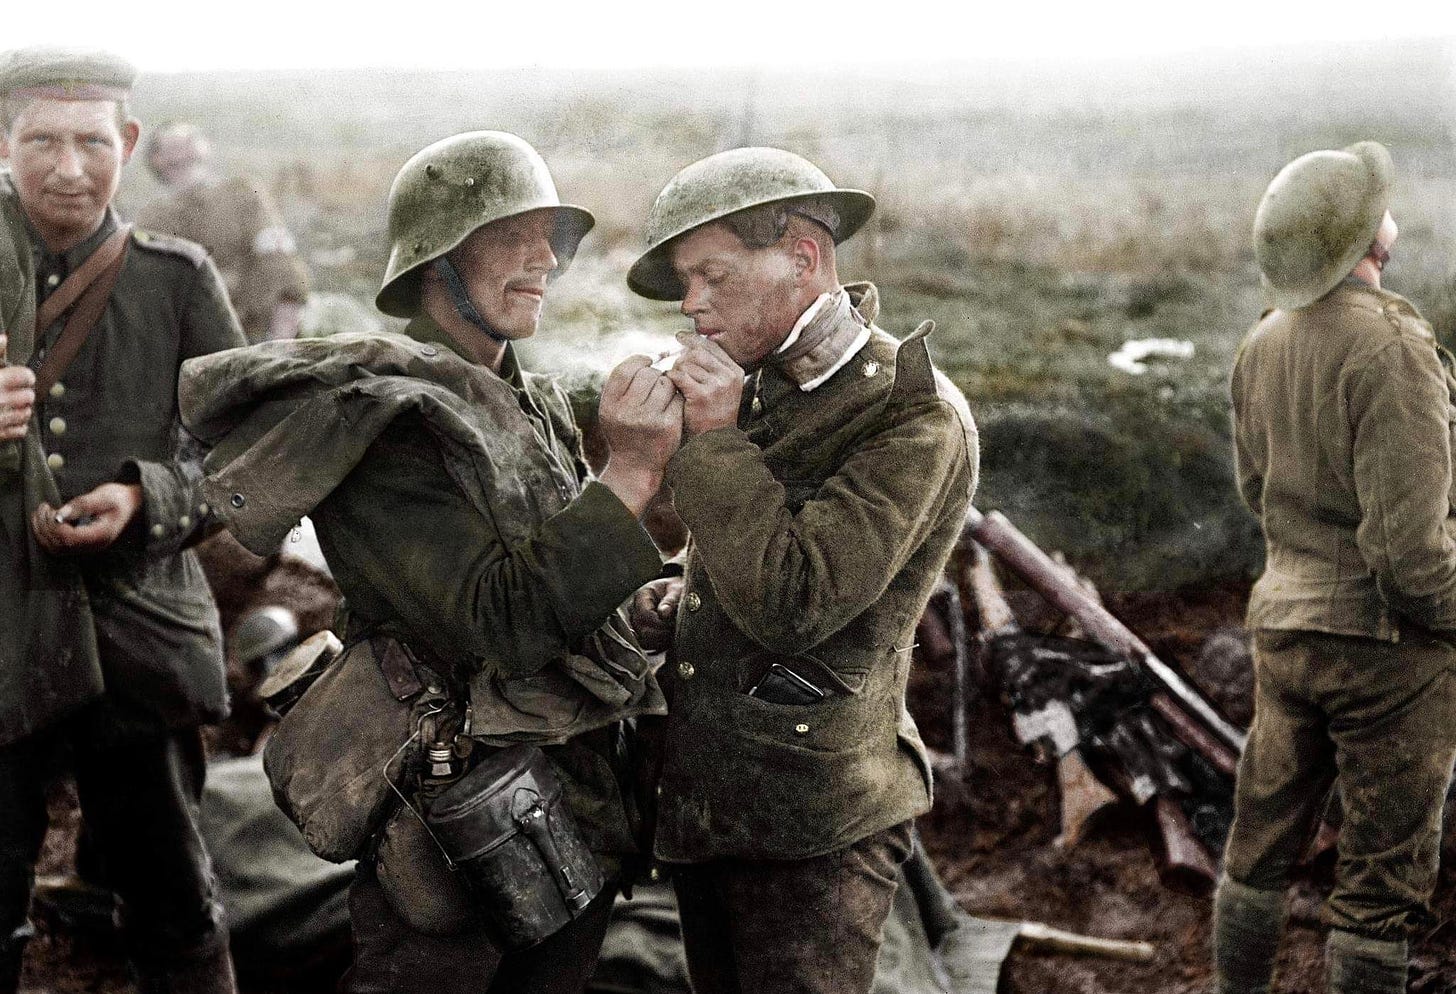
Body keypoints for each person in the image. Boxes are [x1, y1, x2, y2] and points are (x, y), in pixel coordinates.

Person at [178, 131, 680, 994]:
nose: (544, 260)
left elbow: (559, 584)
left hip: (577, 813)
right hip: (456, 829)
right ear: (437, 260)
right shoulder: (388, 424)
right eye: (510, 236)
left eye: (550, 237)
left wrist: (632, 610)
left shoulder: (528, 400)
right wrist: (628, 473)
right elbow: (503, 620)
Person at [624, 146, 978, 994]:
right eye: (684, 282)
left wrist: (709, 443)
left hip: (814, 830)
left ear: (803, 258)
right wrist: (681, 596)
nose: (692, 304)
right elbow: (744, 557)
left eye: (711, 275)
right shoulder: (766, 380)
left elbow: (795, 600)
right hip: (716, 805)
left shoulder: (911, 415)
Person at [0, 47, 246, 994]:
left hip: (137, 641)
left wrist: (151, 499)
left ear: (129, 144)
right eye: (43, 141)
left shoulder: (176, 280)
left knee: (175, 902)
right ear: (5, 142)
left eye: (92, 142)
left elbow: (242, 454)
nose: (70, 168)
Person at [1215, 140, 1456, 994]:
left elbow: (1257, 491)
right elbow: (1413, 562)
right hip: (1387, 651)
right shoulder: (1393, 346)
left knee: (1257, 853)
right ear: (1366, 239)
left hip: (1284, 632)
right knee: (1379, 893)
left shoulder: (1262, 342)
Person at [136, 121, 310, 343]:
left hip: (258, 332)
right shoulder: (151, 218)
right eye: (171, 146)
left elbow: (279, 261)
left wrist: (280, 340)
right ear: (156, 160)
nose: (183, 152)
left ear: (206, 148)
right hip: (191, 342)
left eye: (190, 141)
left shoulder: (243, 192)